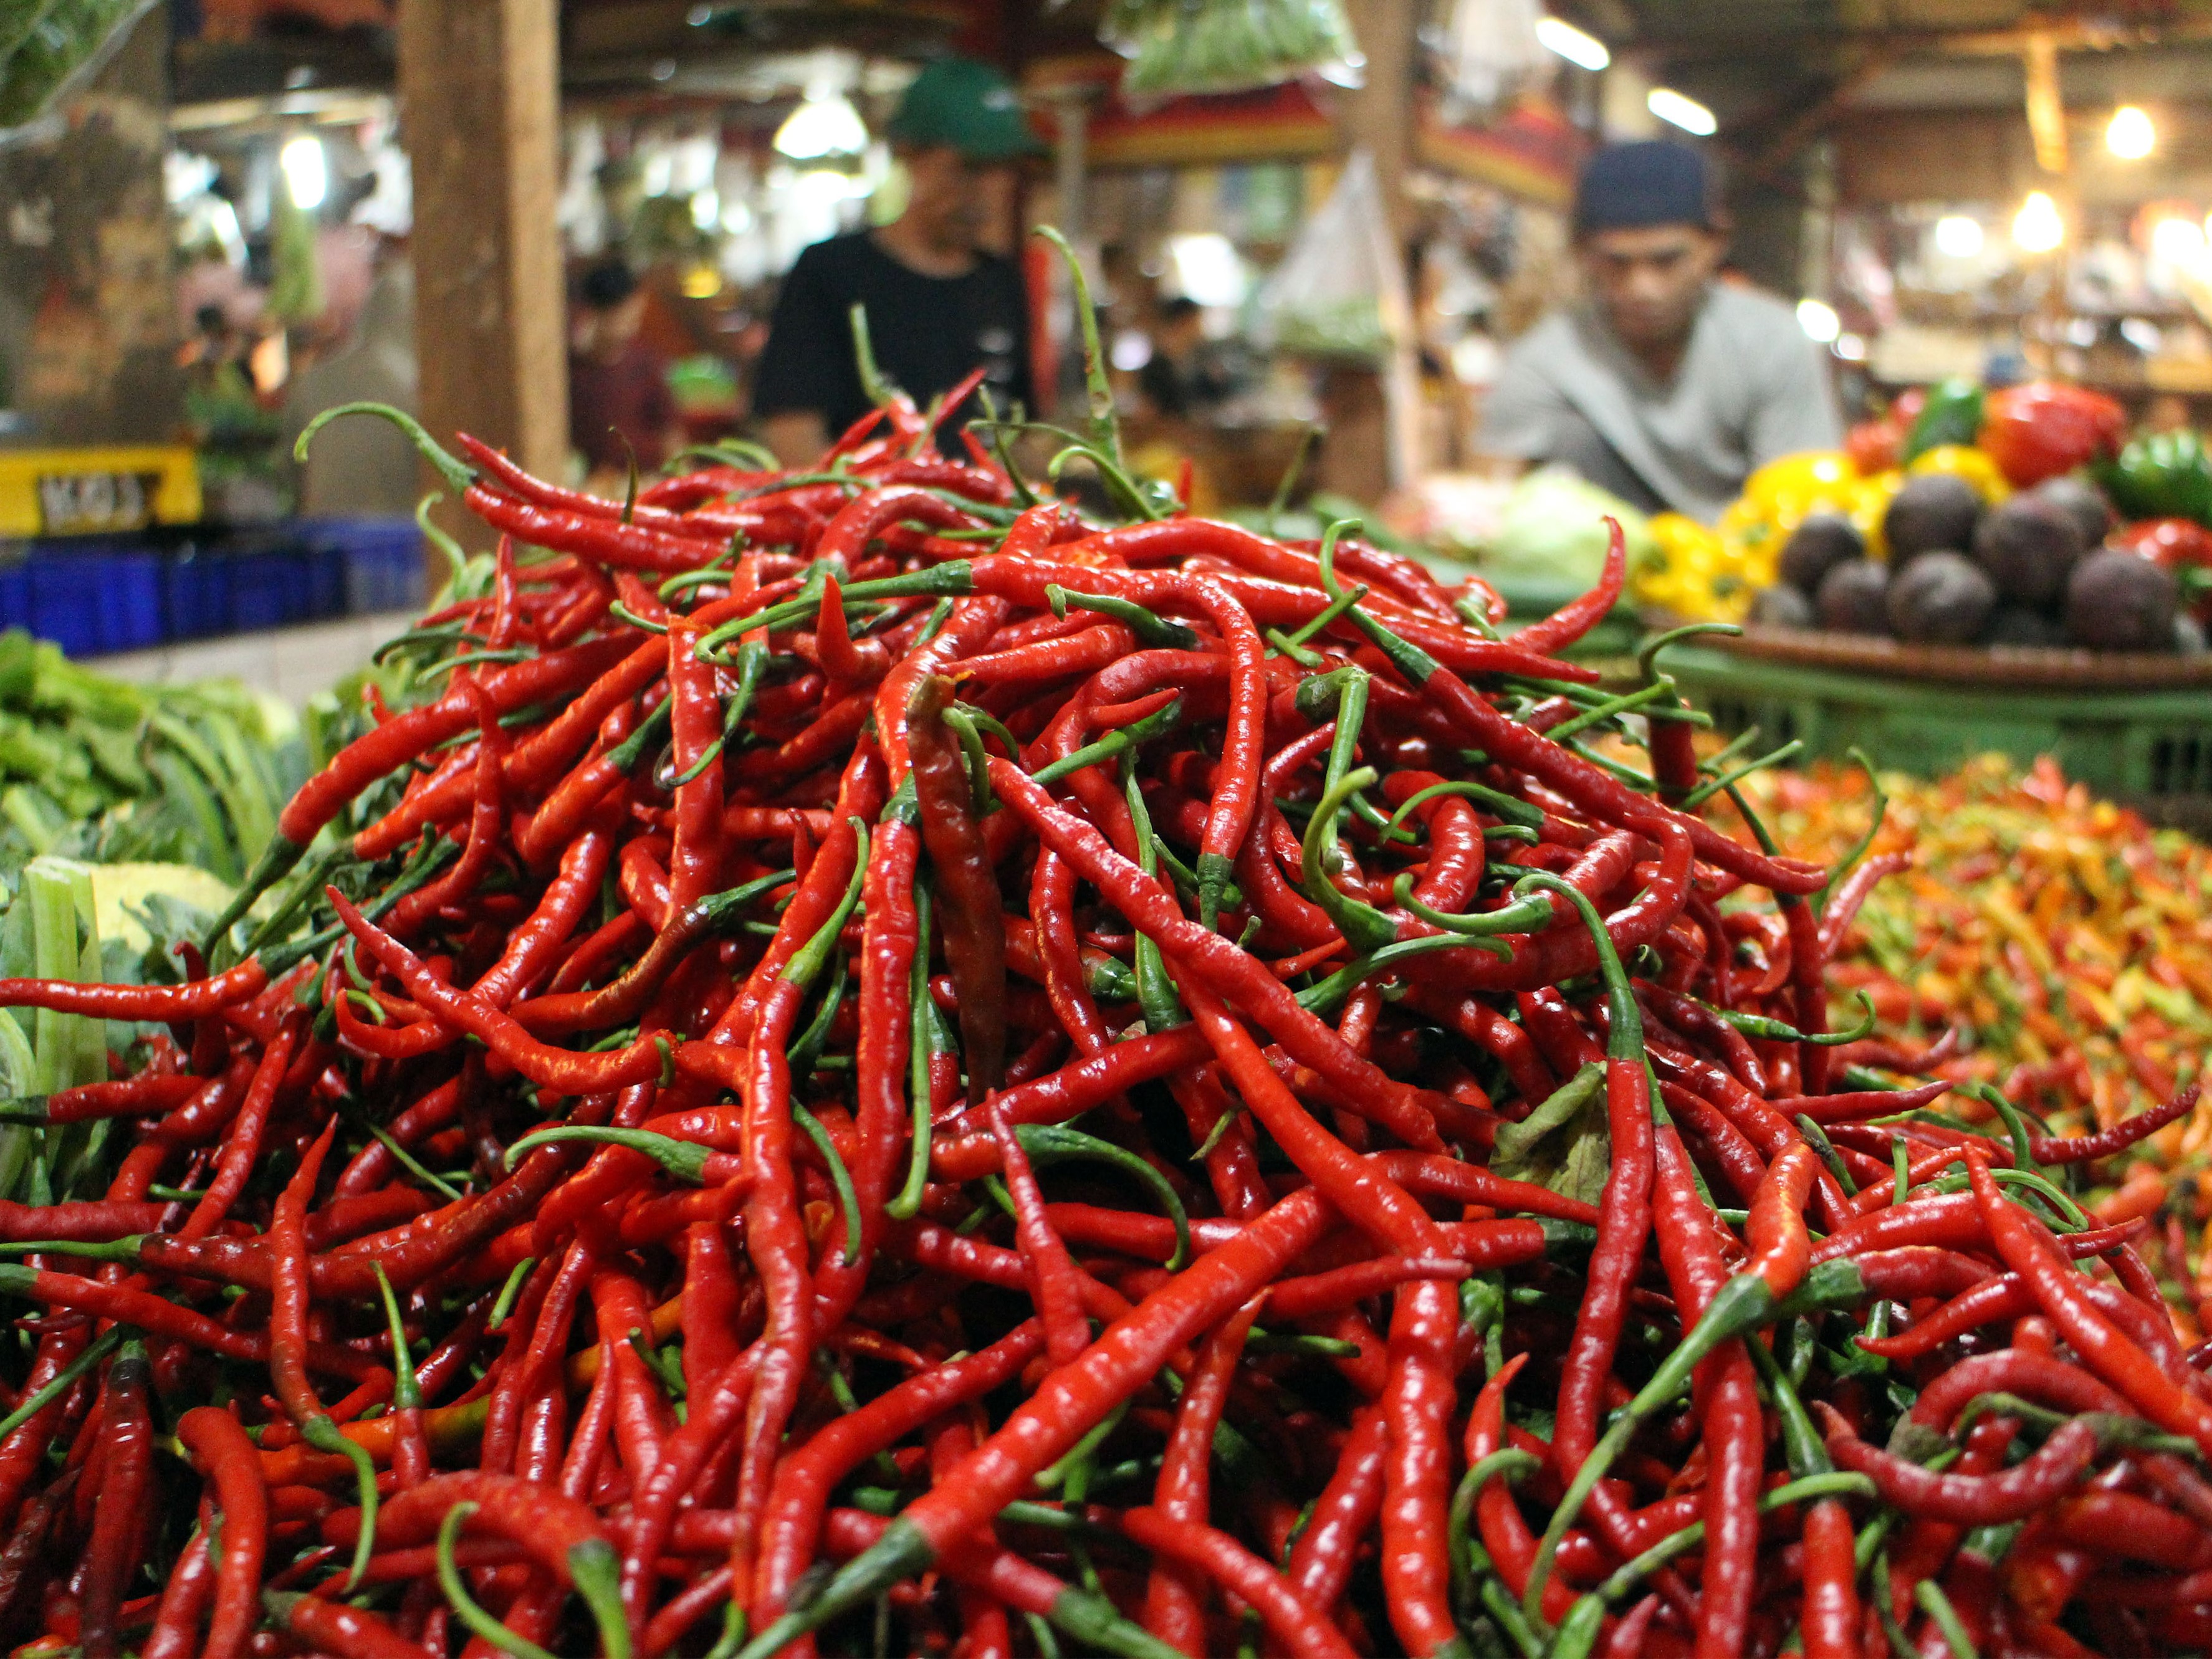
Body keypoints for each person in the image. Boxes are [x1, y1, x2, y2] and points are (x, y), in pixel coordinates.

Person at [1476, 140, 1840, 522]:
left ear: (1713, 246)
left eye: (1667, 261)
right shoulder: (1545, 361)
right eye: (1618, 263)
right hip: (1603, 568)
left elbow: (1808, 508)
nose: (1642, 288)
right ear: (1583, 254)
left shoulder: (1772, 342)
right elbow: (1492, 504)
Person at [752, 56, 1042, 466]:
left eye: (1004, 169)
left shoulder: (1001, 281)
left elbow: (1019, 436)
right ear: (909, 156)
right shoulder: (830, 272)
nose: (986, 192)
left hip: (987, 529)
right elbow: (792, 432)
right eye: (969, 168)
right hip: (864, 522)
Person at [280, 257, 419, 518]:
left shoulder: (313, 381)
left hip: (326, 542)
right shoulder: (416, 388)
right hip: (403, 544)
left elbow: (290, 473)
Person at [568, 259, 682, 481]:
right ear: (593, 313)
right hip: (593, 490)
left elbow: (671, 434)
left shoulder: (645, 364)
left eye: (634, 318)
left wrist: (678, 478)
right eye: (622, 317)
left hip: (647, 483)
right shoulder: (571, 371)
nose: (630, 328)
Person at [1135, 297, 1225, 422]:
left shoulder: (1201, 365)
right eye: (1195, 323)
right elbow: (1148, 413)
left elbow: (1216, 401)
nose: (1200, 329)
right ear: (1182, 323)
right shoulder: (1156, 369)